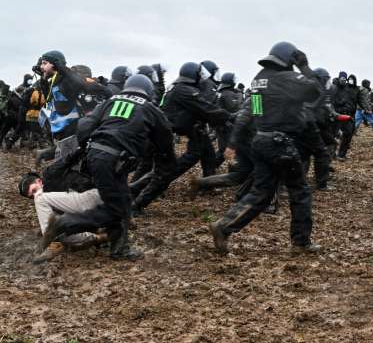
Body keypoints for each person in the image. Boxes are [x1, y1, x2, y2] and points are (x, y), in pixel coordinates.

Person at [40, 74, 175, 260]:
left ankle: (119, 248)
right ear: (148, 90)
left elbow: (85, 125)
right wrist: (165, 163)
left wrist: (91, 148)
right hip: (115, 160)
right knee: (114, 209)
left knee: (123, 200)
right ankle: (65, 223)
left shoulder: (110, 101)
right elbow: (165, 140)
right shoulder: (150, 109)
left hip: (96, 156)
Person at [209, 41, 322, 255]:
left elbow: (256, 110)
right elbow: (316, 91)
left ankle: (224, 226)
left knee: (261, 192)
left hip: (261, 140)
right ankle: (301, 242)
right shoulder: (288, 78)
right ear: (290, 59)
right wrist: (305, 66)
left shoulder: (259, 79)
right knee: (299, 191)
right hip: (281, 142)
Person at [131, 62, 230, 213]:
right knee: (162, 172)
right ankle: (134, 202)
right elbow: (207, 108)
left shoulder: (181, 87)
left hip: (166, 131)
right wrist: (232, 117)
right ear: (193, 75)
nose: (202, 77)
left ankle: (134, 197)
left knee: (163, 169)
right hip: (162, 134)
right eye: (199, 74)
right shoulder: (185, 90)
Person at [18, 172, 108, 264]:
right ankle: (99, 237)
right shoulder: (54, 199)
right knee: (61, 234)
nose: (34, 195)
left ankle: (51, 241)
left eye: (34, 190)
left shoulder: (53, 178)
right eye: (31, 196)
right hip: (97, 213)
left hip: (97, 197)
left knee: (40, 200)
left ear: (40, 181)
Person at [333, 73, 370, 160]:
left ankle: (341, 154)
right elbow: (337, 84)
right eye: (349, 79)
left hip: (350, 115)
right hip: (339, 114)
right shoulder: (342, 87)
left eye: (352, 79)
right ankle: (333, 154)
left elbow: (360, 100)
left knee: (348, 134)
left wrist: (366, 108)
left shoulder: (357, 90)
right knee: (333, 134)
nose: (350, 81)